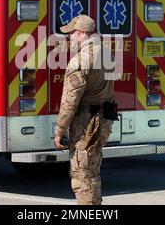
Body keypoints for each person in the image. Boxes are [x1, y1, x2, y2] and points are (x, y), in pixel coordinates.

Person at [54, 15, 117, 206]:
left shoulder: (80, 60)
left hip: (86, 121)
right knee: (93, 168)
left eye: (72, 33)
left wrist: (60, 129)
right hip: (104, 118)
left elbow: (70, 101)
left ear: (82, 34)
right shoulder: (107, 53)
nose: (70, 38)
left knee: (82, 174)